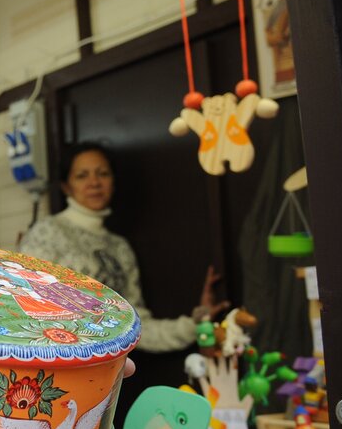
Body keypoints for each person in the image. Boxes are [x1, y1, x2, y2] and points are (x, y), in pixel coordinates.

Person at [18, 141, 227, 351]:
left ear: (113, 182)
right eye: (82, 176)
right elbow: (26, 306)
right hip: (58, 357)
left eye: (103, 174)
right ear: (66, 186)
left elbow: (136, 325)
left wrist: (195, 324)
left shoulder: (120, 247)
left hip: (112, 363)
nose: (94, 182)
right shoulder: (47, 232)